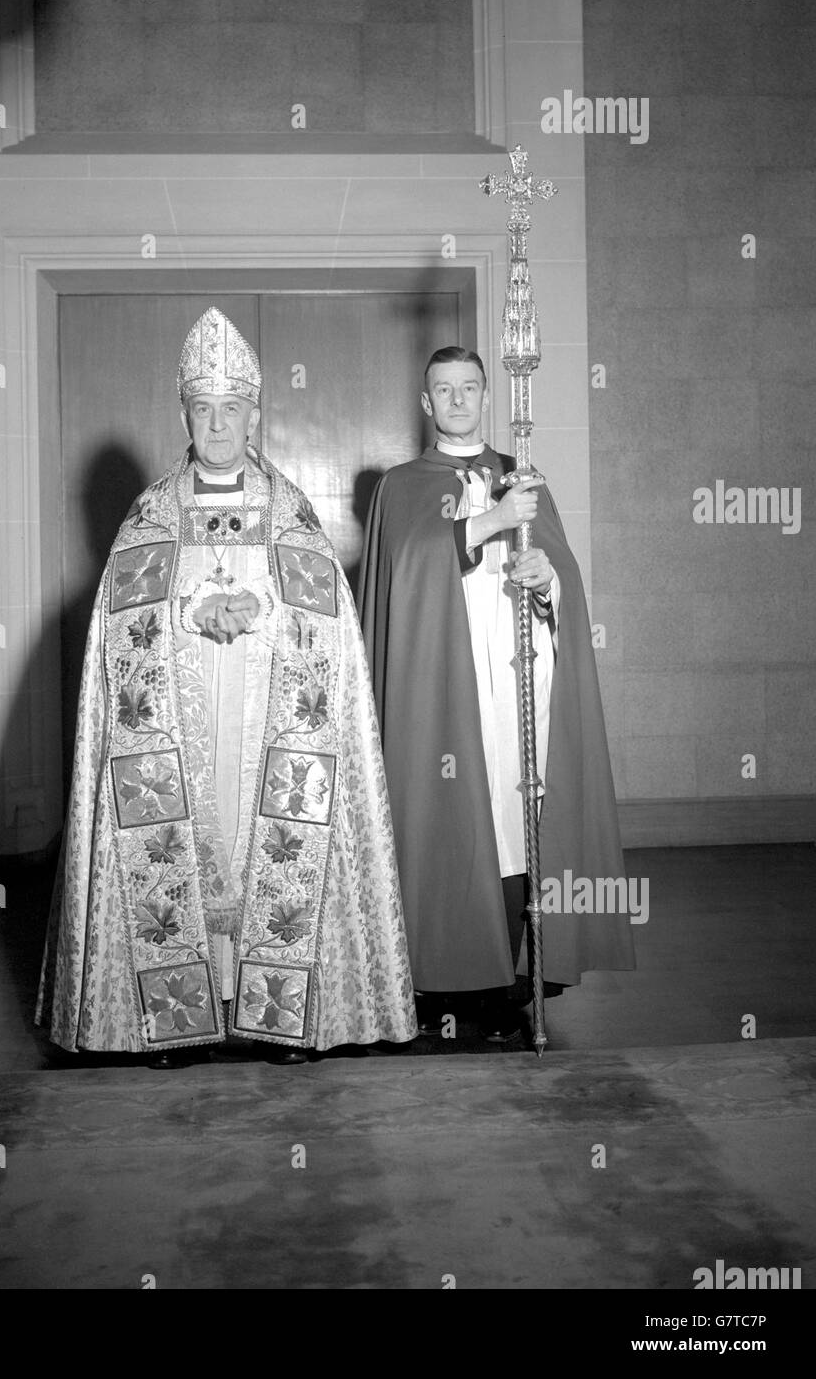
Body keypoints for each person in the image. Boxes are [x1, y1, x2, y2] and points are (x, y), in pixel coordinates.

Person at [37, 308, 416, 1067]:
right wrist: (185, 611)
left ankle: (280, 1015)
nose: (217, 425)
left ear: (255, 414)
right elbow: (118, 625)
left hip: (266, 712)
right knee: (184, 846)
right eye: (203, 409)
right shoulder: (151, 514)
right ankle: (176, 1016)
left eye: (231, 409)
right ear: (184, 413)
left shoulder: (290, 513)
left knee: (262, 845)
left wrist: (264, 609)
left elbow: (330, 622)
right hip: (181, 716)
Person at [358, 345, 634, 1041]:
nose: (456, 400)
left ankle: (518, 972)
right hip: (443, 688)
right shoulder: (400, 485)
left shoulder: (524, 477)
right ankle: (445, 978)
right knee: (450, 816)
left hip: (517, 683)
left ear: (486, 395)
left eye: (468, 388)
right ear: (424, 404)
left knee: (518, 823)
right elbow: (407, 572)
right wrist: (485, 523)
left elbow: (561, 576)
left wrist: (548, 582)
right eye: (442, 390)